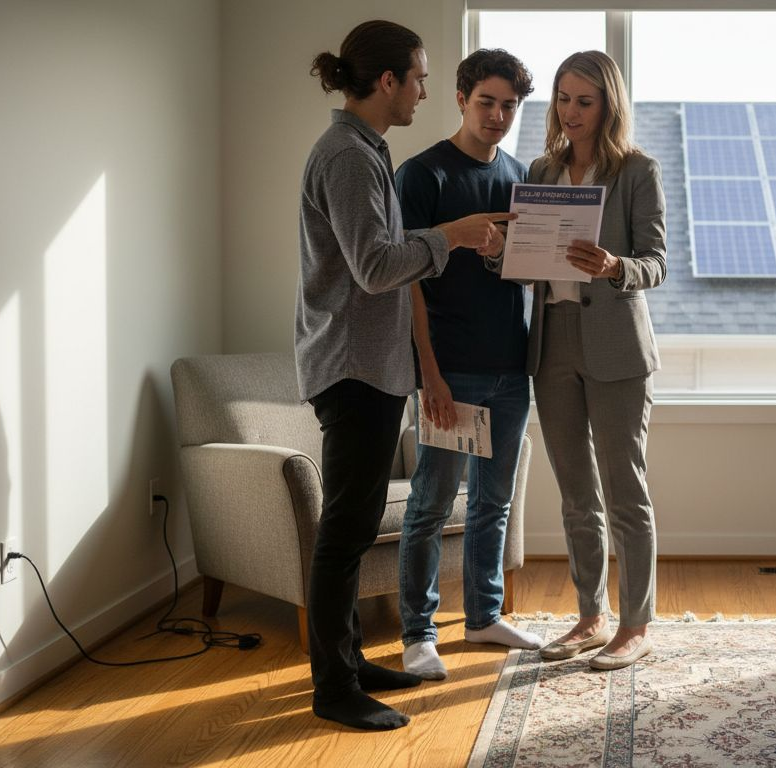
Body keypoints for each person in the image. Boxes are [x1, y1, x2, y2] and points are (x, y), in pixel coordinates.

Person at [296, 20, 514, 731]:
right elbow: (377, 266)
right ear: (386, 81)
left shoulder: (364, 149)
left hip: (371, 366)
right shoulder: (350, 157)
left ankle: (352, 662)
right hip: (353, 367)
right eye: (419, 77)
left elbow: (379, 259)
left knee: (354, 528)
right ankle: (333, 688)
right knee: (345, 529)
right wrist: (452, 233)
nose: (425, 88)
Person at [393, 49, 541, 681]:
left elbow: (522, 272)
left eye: (510, 105)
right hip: (449, 367)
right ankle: (417, 633)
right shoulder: (422, 176)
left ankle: (482, 616)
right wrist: (429, 371)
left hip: (512, 365)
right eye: (487, 101)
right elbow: (407, 283)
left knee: (493, 503)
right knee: (430, 503)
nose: (499, 115)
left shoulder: (518, 176)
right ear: (460, 97)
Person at [526, 51, 667, 670]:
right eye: (563, 98)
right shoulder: (540, 169)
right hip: (550, 341)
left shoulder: (637, 170)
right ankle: (591, 616)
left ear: (607, 105)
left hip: (615, 343)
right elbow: (530, 262)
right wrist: (503, 251)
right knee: (575, 494)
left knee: (623, 490)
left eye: (585, 100)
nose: (571, 111)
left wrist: (615, 267)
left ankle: (636, 625)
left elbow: (656, 263)